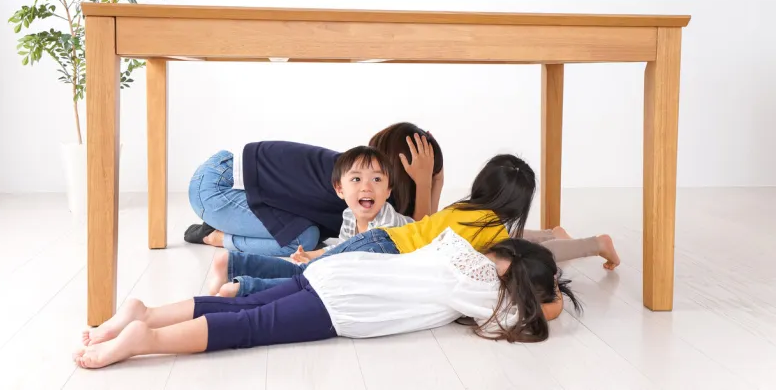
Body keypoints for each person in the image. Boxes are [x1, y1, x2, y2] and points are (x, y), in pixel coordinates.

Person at [75, 230, 582, 369]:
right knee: (251, 328)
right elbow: (535, 316)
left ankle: (147, 313)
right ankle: (144, 340)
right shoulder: (485, 290)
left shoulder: (455, 248)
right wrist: (552, 295)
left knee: (244, 306)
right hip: (345, 304)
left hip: (338, 271)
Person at [208, 153, 620, 297]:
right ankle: (242, 283)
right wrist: (590, 245)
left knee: (313, 270)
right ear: (516, 204)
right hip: (388, 250)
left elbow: (516, 244)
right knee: (313, 277)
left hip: (385, 240)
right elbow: (525, 252)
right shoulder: (490, 228)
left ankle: (236, 269)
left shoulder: (465, 209)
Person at [183, 122, 443, 257]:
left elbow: (422, 229)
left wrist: (435, 181)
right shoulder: (358, 183)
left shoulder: (363, 179)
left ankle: (229, 224)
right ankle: (216, 236)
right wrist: (424, 183)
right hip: (218, 187)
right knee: (303, 239)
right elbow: (417, 235)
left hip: (228, 182)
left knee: (311, 237)